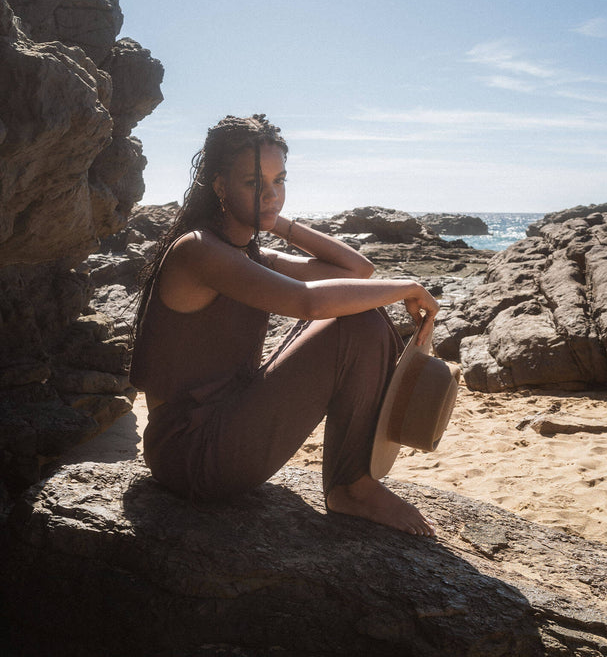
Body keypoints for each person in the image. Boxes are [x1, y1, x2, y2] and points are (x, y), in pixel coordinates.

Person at [130, 114, 439, 536]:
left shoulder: (248, 254)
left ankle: (352, 484)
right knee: (358, 320)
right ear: (219, 185)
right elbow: (307, 302)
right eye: (254, 183)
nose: (272, 194)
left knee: (362, 314)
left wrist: (277, 220)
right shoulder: (198, 251)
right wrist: (406, 287)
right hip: (193, 454)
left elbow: (357, 270)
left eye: (280, 181)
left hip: (228, 425)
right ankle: (351, 486)